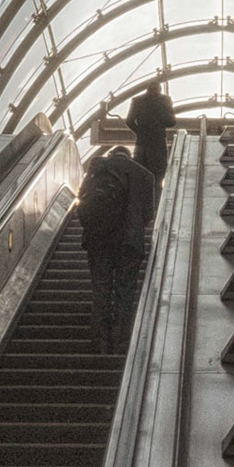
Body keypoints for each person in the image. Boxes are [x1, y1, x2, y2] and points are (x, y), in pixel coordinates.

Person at [78, 146, 156, 353]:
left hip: (98, 239)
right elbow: (148, 215)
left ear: (111, 154)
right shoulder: (145, 176)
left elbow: (82, 198)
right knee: (125, 290)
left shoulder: (98, 168)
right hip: (129, 243)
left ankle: (99, 342)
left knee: (101, 288)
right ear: (130, 156)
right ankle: (121, 341)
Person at [124, 81, 177, 184]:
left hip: (142, 142)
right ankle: (157, 190)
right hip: (158, 140)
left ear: (147, 89)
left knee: (140, 172)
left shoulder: (137, 100)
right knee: (158, 173)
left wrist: (140, 132)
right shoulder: (165, 100)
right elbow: (172, 122)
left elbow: (129, 121)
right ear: (160, 90)